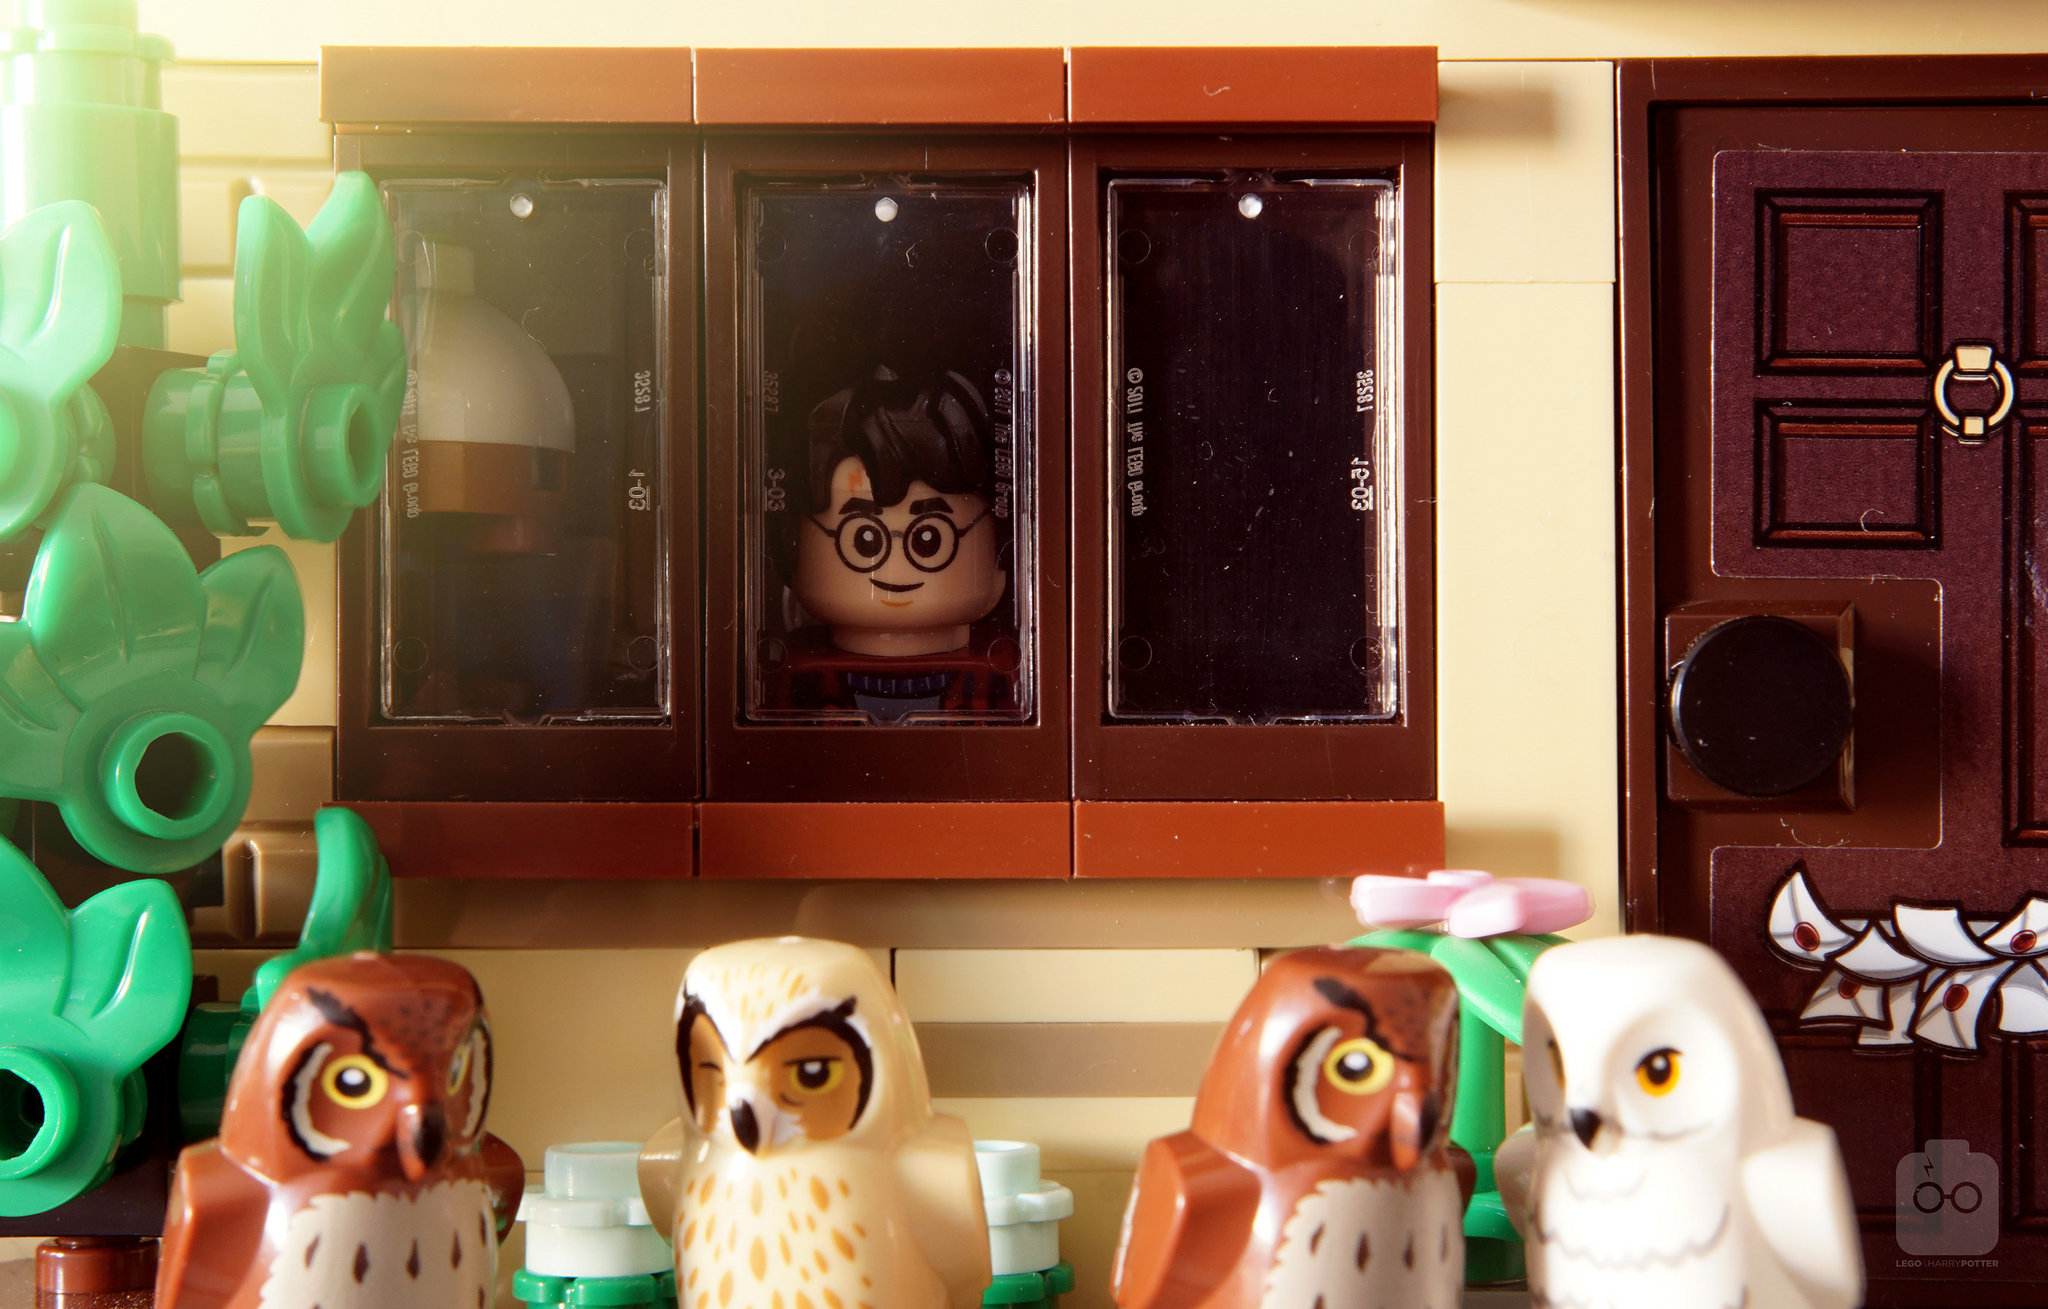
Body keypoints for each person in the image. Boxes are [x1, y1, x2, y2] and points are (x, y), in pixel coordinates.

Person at [761, 364, 1019, 723]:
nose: (895, 567)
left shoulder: (990, 671)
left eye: (928, 539)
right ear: (795, 542)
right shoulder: (806, 673)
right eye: (866, 539)